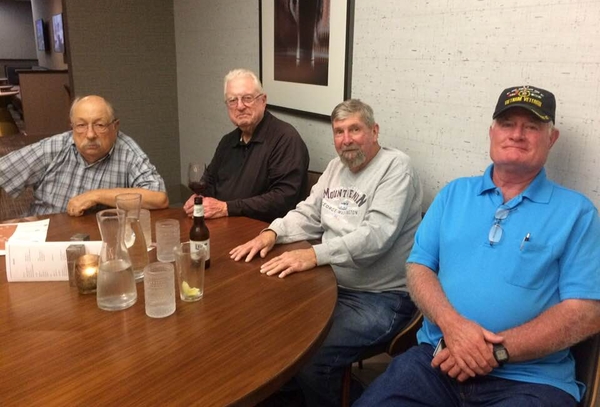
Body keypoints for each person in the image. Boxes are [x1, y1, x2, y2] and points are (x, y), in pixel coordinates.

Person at [355, 85, 600, 407]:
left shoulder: (577, 214)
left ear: (551, 139)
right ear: (492, 132)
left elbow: (585, 313)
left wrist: (493, 351)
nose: (517, 134)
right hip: (435, 361)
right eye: (507, 124)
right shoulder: (453, 194)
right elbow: (419, 267)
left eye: (532, 126)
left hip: (530, 381)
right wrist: (454, 329)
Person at [230, 99, 423, 406]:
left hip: (382, 297)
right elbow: (308, 213)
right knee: (272, 326)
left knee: (312, 354)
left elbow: (376, 237)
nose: (346, 139)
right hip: (332, 285)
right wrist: (273, 232)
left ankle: (349, 398)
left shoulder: (396, 167)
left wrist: (314, 255)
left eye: (355, 129)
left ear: (374, 131)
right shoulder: (336, 167)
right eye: (339, 132)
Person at [0, 95, 168, 217]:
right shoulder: (54, 147)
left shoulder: (127, 151)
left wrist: (96, 195)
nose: (90, 134)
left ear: (115, 127)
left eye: (99, 125)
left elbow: (159, 198)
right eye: (81, 125)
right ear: (71, 126)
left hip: (100, 240)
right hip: (46, 234)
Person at [183, 68, 309, 223]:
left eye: (247, 98)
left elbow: (283, 199)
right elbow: (208, 182)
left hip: (265, 233)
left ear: (263, 101)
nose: (240, 106)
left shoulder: (285, 139)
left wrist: (227, 208)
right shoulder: (227, 142)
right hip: (224, 225)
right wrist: (198, 198)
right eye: (232, 100)